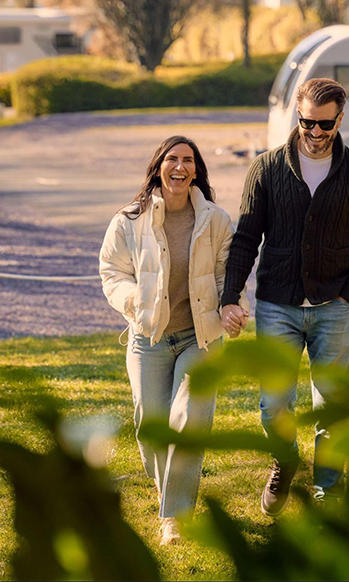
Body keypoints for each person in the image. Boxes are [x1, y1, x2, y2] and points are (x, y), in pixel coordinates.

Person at [219, 78, 349, 516]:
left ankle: (328, 493)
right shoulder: (267, 169)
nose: (315, 133)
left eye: (324, 125)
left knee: (331, 407)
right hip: (276, 306)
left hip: (333, 308)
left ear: (340, 119)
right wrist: (230, 296)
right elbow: (245, 240)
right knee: (273, 403)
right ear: (297, 116)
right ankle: (285, 461)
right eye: (307, 123)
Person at [99, 136, 247, 545]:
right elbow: (112, 271)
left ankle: (175, 519)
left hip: (199, 338)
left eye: (187, 160)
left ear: (196, 169)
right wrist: (135, 302)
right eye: (172, 159)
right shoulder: (130, 219)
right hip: (149, 337)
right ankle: (167, 485)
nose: (179, 167)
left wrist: (231, 306)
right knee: (151, 424)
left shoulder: (215, 220)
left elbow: (226, 274)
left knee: (190, 416)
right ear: (158, 167)